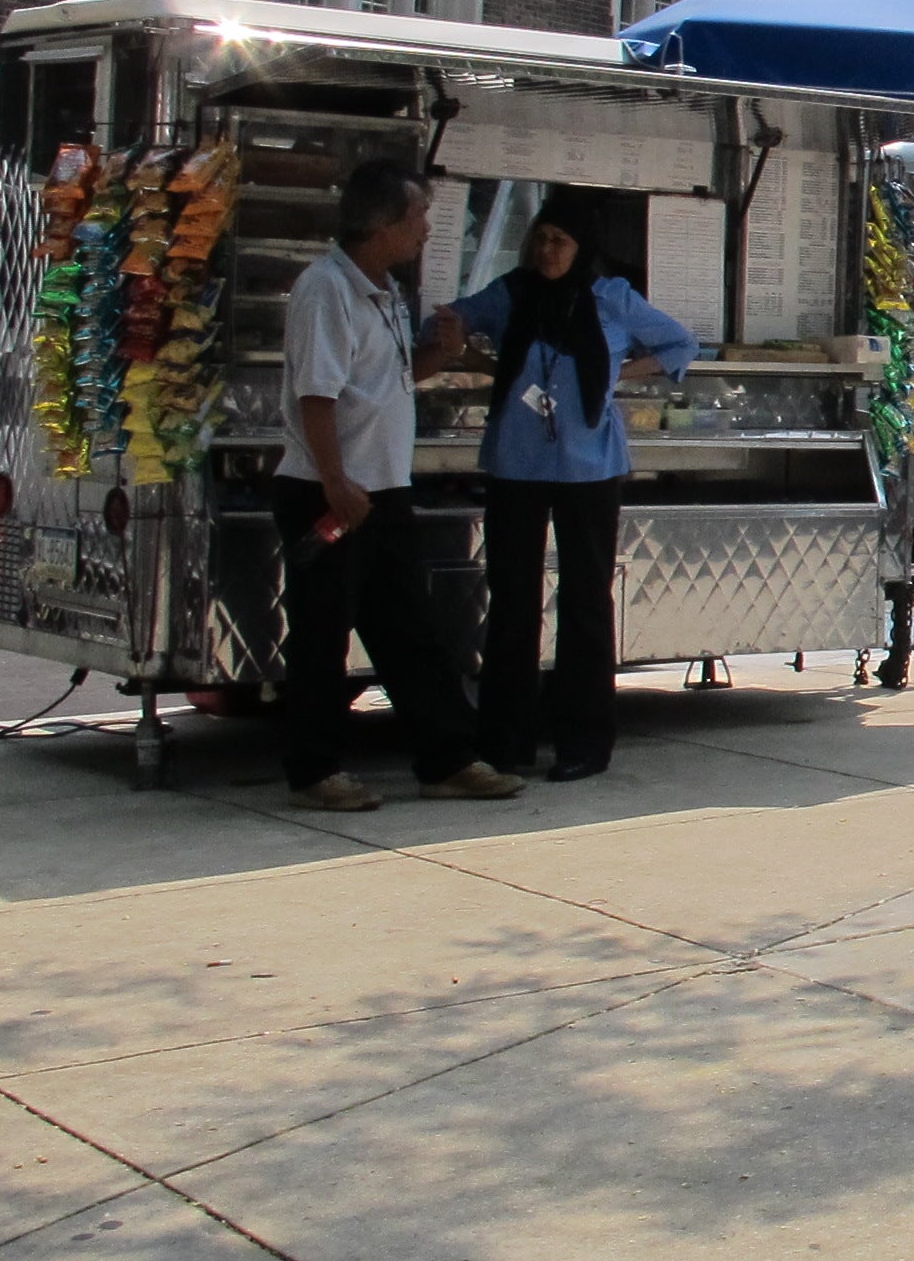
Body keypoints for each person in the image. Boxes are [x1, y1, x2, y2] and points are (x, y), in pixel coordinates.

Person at [270, 160, 516, 813]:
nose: (427, 231)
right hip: (331, 491)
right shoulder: (326, 290)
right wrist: (335, 481)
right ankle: (313, 770)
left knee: (410, 630)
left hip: (382, 490)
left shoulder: (381, 292)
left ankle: (447, 758)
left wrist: (447, 350)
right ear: (380, 223)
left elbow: (393, 381)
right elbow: (316, 397)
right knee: (322, 635)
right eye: (417, 217)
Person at [430, 196, 698, 782]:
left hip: (589, 468)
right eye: (542, 238)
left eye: (561, 241)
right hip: (516, 466)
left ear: (582, 248)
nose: (548, 251)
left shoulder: (611, 299)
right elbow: (451, 321)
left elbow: (681, 344)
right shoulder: (511, 293)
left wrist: (613, 372)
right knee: (513, 603)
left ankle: (583, 741)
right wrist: (454, 331)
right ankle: (506, 740)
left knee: (584, 603)